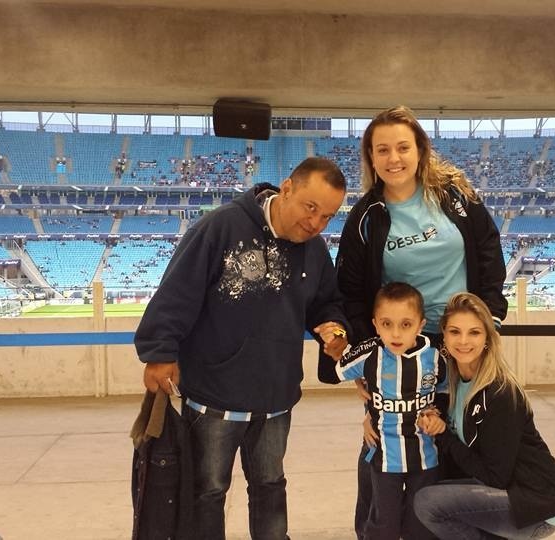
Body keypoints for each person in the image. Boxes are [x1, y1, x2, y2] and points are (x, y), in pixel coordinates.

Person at [135, 156, 351, 540]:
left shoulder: (315, 250)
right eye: (311, 208)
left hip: (276, 398)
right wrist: (159, 352)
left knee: (270, 486)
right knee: (208, 491)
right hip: (214, 397)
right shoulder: (221, 227)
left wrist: (333, 326)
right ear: (287, 188)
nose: (316, 223)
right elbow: (177, 293)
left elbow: (325, 302)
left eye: (328, 216)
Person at [320, 105, 509, 539]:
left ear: (421, 150)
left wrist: (489, 317)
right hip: (405, 345)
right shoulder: (366, 216)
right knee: (386, 453)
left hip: (463, 341)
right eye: (381, 149)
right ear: (370, 157)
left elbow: (488, 250)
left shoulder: (455, 197)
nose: (394, 158)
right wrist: (371, 379)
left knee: (458, 440)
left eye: (403, 147)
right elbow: (351, 293)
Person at [413, 292, 555, 540]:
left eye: (474, 332)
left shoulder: (501, 393)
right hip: (503, 491)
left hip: (532, 505)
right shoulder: (453, 380)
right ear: (444, 334)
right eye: (455, 332)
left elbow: (495, 477)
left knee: (428, 503)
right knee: (430, 490)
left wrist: (443, 434)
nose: (463, 341)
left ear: (487, 338)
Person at [332, 282, 448, 539]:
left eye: (406, 325)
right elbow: (338, 368)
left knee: (422, 525)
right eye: (387, 324)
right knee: (383, 525)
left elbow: (446, 391)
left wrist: (436, 415)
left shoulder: (435, 356)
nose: (395, 334)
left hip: (425, 457)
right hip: (384, 459)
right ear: (375, 325)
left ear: (420, 324)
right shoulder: (370, 353)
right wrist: (335, 342)